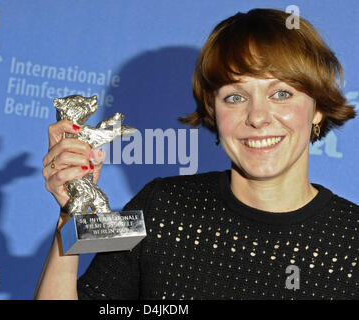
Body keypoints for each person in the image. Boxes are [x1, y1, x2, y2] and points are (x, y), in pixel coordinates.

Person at [34, 8, 358, 300]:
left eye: (282, 93)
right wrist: (72, 212)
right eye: (235, 97)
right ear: (213, 110)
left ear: (317, 109)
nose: (257, 117)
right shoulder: (159, 207)